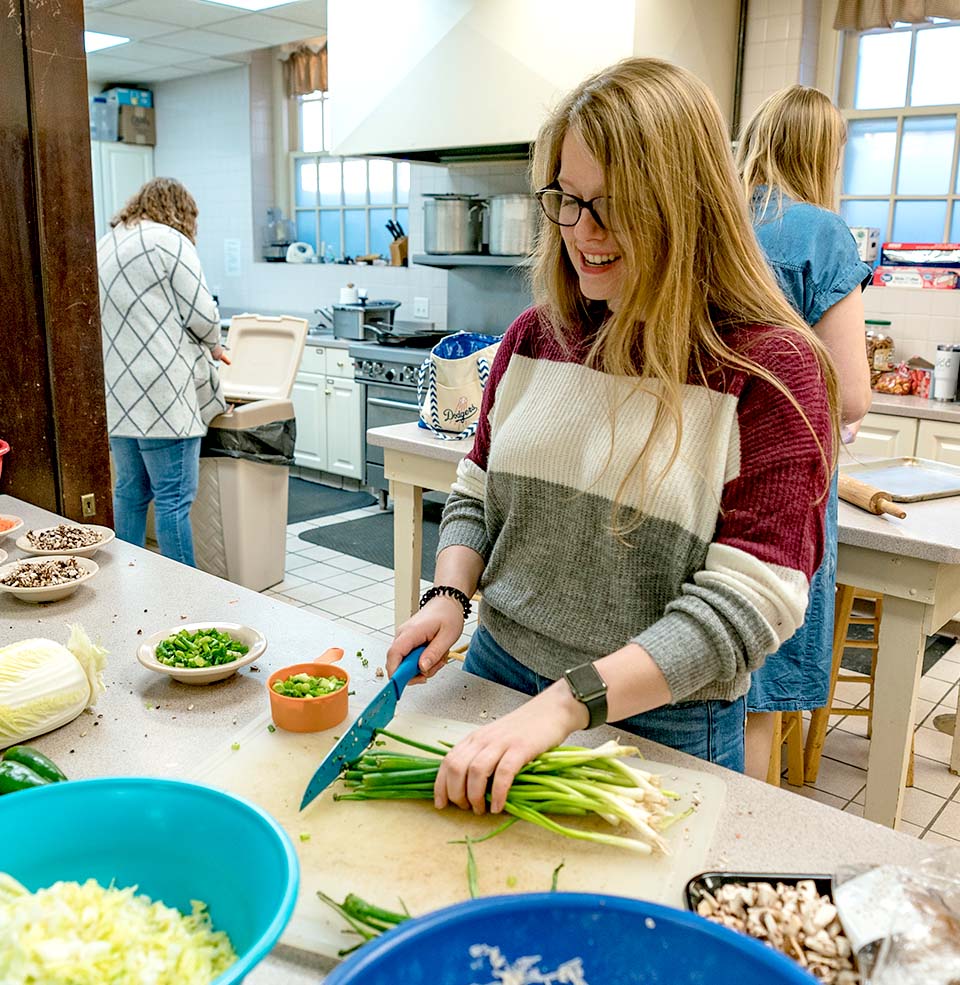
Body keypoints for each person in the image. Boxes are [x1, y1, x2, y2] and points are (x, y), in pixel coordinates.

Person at [387, 57, 840, 816]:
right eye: (567, 199)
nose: (582, 233)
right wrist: (447, 595)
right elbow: (478, 488)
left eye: (615, 206)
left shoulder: (770, 370)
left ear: (687, 204)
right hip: (498, 671)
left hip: (658, 724)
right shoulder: (537, 336)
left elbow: (743, 609)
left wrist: (568, 703)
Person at [736, 86, 872, 779]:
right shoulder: (821, 233)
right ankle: (730, 859)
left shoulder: (712, 219)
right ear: (823, 155)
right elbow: (851, 391)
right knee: (756, 692)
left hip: (690, 466)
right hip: (780, 485)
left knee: (687, 670)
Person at [97, 177, 228, 566]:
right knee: (173, 499)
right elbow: (202, 314)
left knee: (129, 493)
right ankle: (184, 596)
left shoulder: (107, 243)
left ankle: (128, 583)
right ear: (181, 212)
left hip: (118, 395)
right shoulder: (170, 242)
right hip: (163, 396)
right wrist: (216, 345)